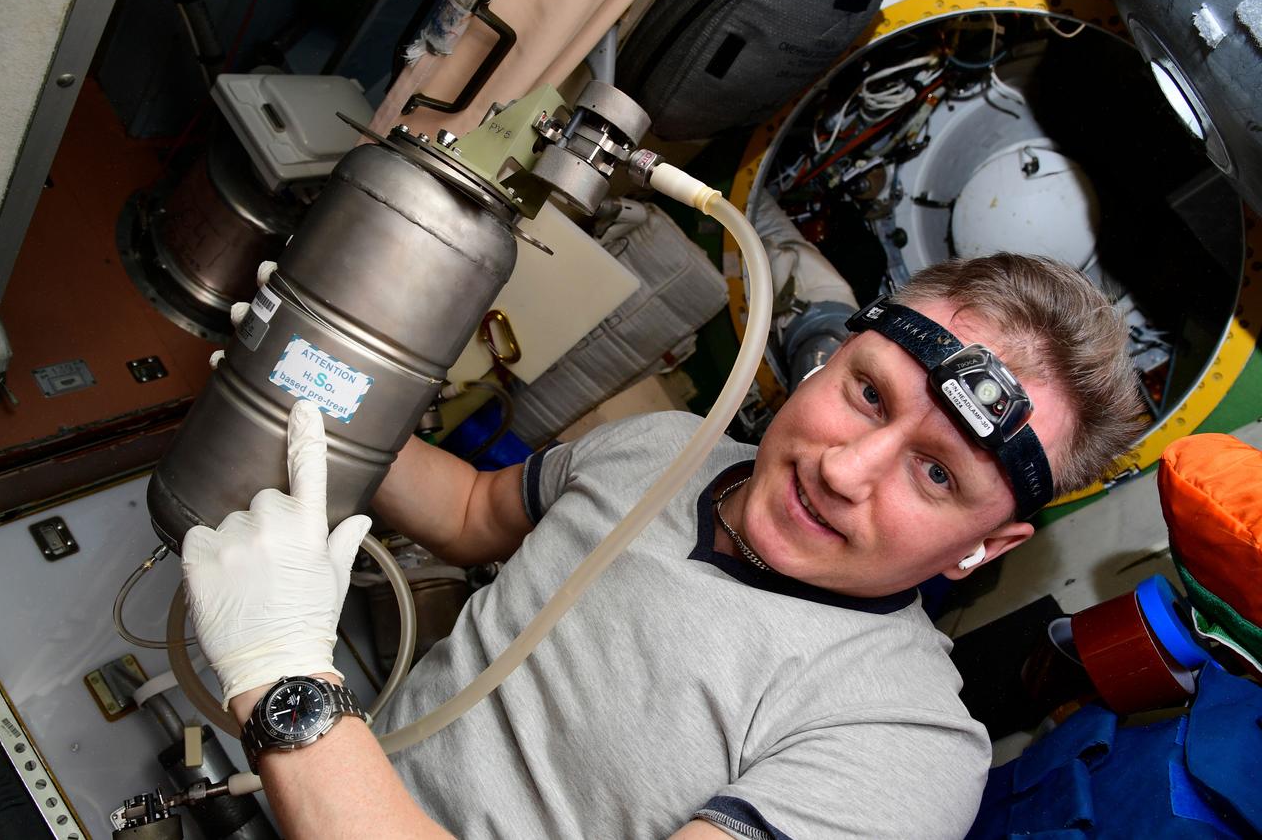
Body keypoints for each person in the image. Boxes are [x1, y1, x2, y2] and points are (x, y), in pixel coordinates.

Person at [181, 253, 1146, 839]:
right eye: (867, 393)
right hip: (298, 794)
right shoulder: (664, 447)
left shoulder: (904, 748)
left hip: (304, 750)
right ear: (829, 356)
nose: (845, 471)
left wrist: (284, 679)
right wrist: (317, 380)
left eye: (938, 474)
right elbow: (475, 510)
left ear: (984, 547)